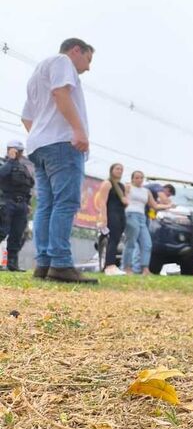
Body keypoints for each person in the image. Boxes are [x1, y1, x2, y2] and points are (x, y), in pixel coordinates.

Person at [20, 38, 96, 283]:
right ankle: (61, 263)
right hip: (62, 144)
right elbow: (60, 92)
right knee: (65, 203)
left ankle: (44, 262)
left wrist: (41, 134)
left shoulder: (37, 74)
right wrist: (78, 130)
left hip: (39, 146)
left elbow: (27, 117)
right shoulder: (63, 62)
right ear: (76, 50)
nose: (88, 66)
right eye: (88, 59)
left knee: (46, 205)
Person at [122, 171, 171, 275]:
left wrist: (168, 206)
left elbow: (155, 205)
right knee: (131, 242)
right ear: (132, 179)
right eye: (137, 178)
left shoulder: (146, 191)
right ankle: (127, 267)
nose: (139, 180)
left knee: (147, 243)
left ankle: (145, 269)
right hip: (131, 214)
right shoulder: (128, 187)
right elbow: (122, 199)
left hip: (142, 216)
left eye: (141, 178)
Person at [0, 140, 35, 272]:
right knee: (2, 232)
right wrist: (11, 160)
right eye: (17, 150)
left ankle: (12, 264)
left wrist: (28, 204)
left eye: (20, 151)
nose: (19, 153)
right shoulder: (4, 164)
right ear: (10, 150)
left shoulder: (23, 168)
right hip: (6, 202)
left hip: (21, 205)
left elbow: (27, 187)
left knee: (17, 235)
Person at [93, 163, 128, 275]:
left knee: (117, 239)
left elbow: (125, 202)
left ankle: (111, 265)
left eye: (121, 169)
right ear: (111, 170)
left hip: (121, 214)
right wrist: (103, 217)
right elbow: (102, 201)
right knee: (111, 240)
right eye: (117, 169)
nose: (119, 171)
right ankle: (109, 265)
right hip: (111, 213)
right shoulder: (107, 183)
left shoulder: (122, 186)